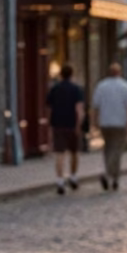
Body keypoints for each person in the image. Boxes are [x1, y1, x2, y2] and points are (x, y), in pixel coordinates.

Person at [92, 62, 127, 191]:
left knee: (108, 149)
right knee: (117, 151)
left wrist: (94, 122)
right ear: (120, 72)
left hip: (105, 122)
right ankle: (109, 175)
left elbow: (95, 106)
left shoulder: (101, 86)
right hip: (120, 123)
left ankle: (114, 178)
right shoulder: (125, 86)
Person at [46, 64, 84, 196]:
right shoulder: (76, 89)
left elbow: (49, 109)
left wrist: (50, 126)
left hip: (58, 125)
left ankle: (60, 180)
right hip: (72, 124)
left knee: (59, 153)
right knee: (74, 152)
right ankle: (73, 176)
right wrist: (79, 125)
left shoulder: (54, 89)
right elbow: (79, 109)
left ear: (61, 75)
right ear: (72, 74)